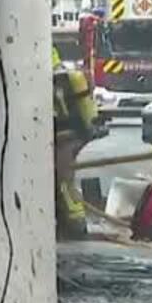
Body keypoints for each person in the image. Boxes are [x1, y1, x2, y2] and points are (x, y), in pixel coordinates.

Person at [53, 47, 101, 240]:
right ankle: (70, 223)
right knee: (64, 181)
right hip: (74, 135)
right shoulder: (68, 79)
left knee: (64, 182)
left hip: (64, 138)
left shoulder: (57, 81)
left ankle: (74, 225)